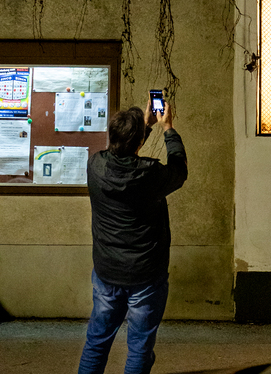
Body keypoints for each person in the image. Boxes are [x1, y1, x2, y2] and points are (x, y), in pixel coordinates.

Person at [77, 98, 188, 374]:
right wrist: (167, 128)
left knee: (96, 343)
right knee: (139, 347)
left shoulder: (95, 165)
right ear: (138, 142)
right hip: (145, 275)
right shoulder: (149, 174)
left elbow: (122, 152)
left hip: (107, 271)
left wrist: (143, 129)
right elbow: (179, 170)